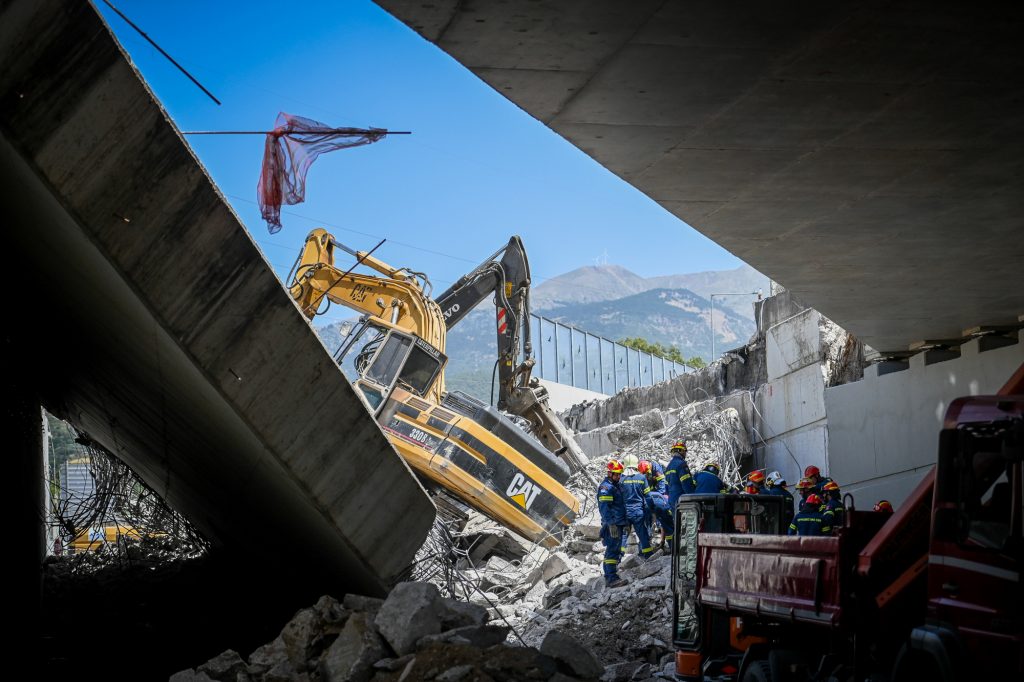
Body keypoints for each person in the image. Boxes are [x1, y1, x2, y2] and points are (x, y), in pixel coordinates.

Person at [597, 459, 629, 587]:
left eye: (620, 474)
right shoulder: (606, 488)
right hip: (613, 524)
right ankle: (611, 578)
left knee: (615, 549)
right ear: (609, 473)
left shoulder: (616, 485)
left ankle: (610, 575)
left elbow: (621, 505)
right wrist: (611, 524)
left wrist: (625, 522)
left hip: (619, 522)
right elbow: (604, 508)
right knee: (612, 550)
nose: (618, 476)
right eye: (616, 474)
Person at [620, 454, 654, 561]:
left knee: (623, 536)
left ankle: (618, 558)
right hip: (638, 512)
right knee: (643, 535)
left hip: (625, 513)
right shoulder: (642, 478)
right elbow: (648, 496)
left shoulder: (621, 479)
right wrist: (652, 509)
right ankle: (648, 557)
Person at [639, 459, 675, 551]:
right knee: (649, 522)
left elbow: (662, 486)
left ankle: (669, 546)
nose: (647, 475)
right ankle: (651, 544)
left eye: (647, 473)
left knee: (664, 521)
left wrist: (656, 498)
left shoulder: (656, 468)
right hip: (652, 496)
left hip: (660, 496)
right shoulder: (644, 471)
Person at [665, 440, 696, 507]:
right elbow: (687, 484)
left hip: (672, 501)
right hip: (682, 501)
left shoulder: (669, 466)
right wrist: (694, 498)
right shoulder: (681, 465)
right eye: (685, 451)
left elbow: (666, 488)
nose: (685, 454)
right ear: (680, 451)